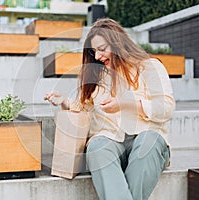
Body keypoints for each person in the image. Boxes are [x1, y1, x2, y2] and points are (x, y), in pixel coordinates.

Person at [44, 18, 175, 200]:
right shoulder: (96, 75)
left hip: (148, 139)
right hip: (111, 143)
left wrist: (125, 103)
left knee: (149, 141)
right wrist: (64, 101)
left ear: (118, 43)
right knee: (97, 145)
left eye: (102, 49)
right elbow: (84, 110)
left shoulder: (150, 66)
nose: (97, 56)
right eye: (94, 51)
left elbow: (166, 108)